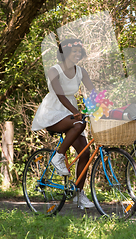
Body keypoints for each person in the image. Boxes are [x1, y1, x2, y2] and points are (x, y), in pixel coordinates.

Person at [32, 38, 94, 208]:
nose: (77, 54)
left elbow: (93, 90)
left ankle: (79, 194)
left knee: (85, 153)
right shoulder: (54, 70)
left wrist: (106, 107)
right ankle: (58, 156)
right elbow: (59, 94)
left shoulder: (81, 71)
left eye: (79, 52)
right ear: (65, 53)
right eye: (74, 51)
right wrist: (75, 112)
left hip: (70, 111)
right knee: (79, 124)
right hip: (52, 111)